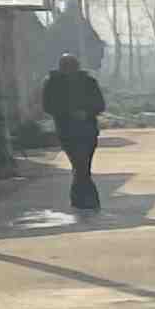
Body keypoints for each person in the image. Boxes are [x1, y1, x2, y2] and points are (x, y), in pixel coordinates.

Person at [40, 51, 106, 215]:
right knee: (78, 163)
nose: (70, 69)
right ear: (61, 67)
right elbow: (48, 106)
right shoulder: (53, 83)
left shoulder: (88, 82)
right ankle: (88, 200)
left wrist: (86, 112)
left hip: (88, 130)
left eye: (72, 66)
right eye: (66, 66)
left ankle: (80, 199)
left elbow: (99, 104)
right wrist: (68, 113)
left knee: (84, 165)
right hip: (67, 130)